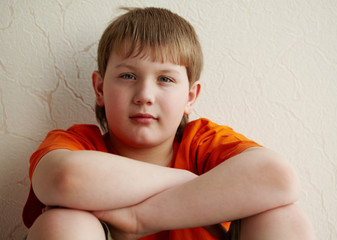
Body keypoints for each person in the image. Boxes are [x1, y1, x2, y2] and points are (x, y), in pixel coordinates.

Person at [22, 7, 314, 240]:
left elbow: (279, 177)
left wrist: (140, 220)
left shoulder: (203, 143)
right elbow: (65, 178)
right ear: (99, 89)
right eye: (127, 76)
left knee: (284, 216)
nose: (144, 96)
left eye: (165, 79)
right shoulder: (81, 144)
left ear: (190, 97)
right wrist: (186, 180)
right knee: (64, 223)